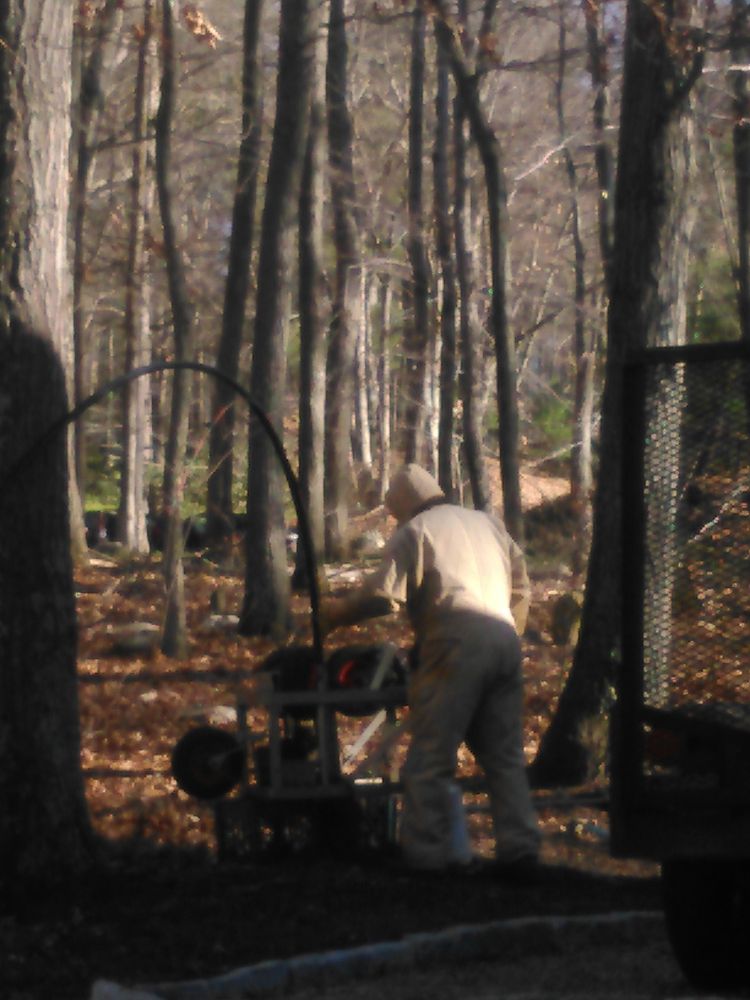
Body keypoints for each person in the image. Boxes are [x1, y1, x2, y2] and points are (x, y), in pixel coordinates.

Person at [321, 463, 540, 877]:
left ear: (401, 507)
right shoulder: (488, 523)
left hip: (456, 643)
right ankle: (520, 851)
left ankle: (429, 859)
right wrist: (507, 632)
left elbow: (383, 598)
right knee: (505, 756)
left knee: (430, 760)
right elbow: (523, 587)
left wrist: (330, 617)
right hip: (505, 641)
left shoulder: (415, 532)